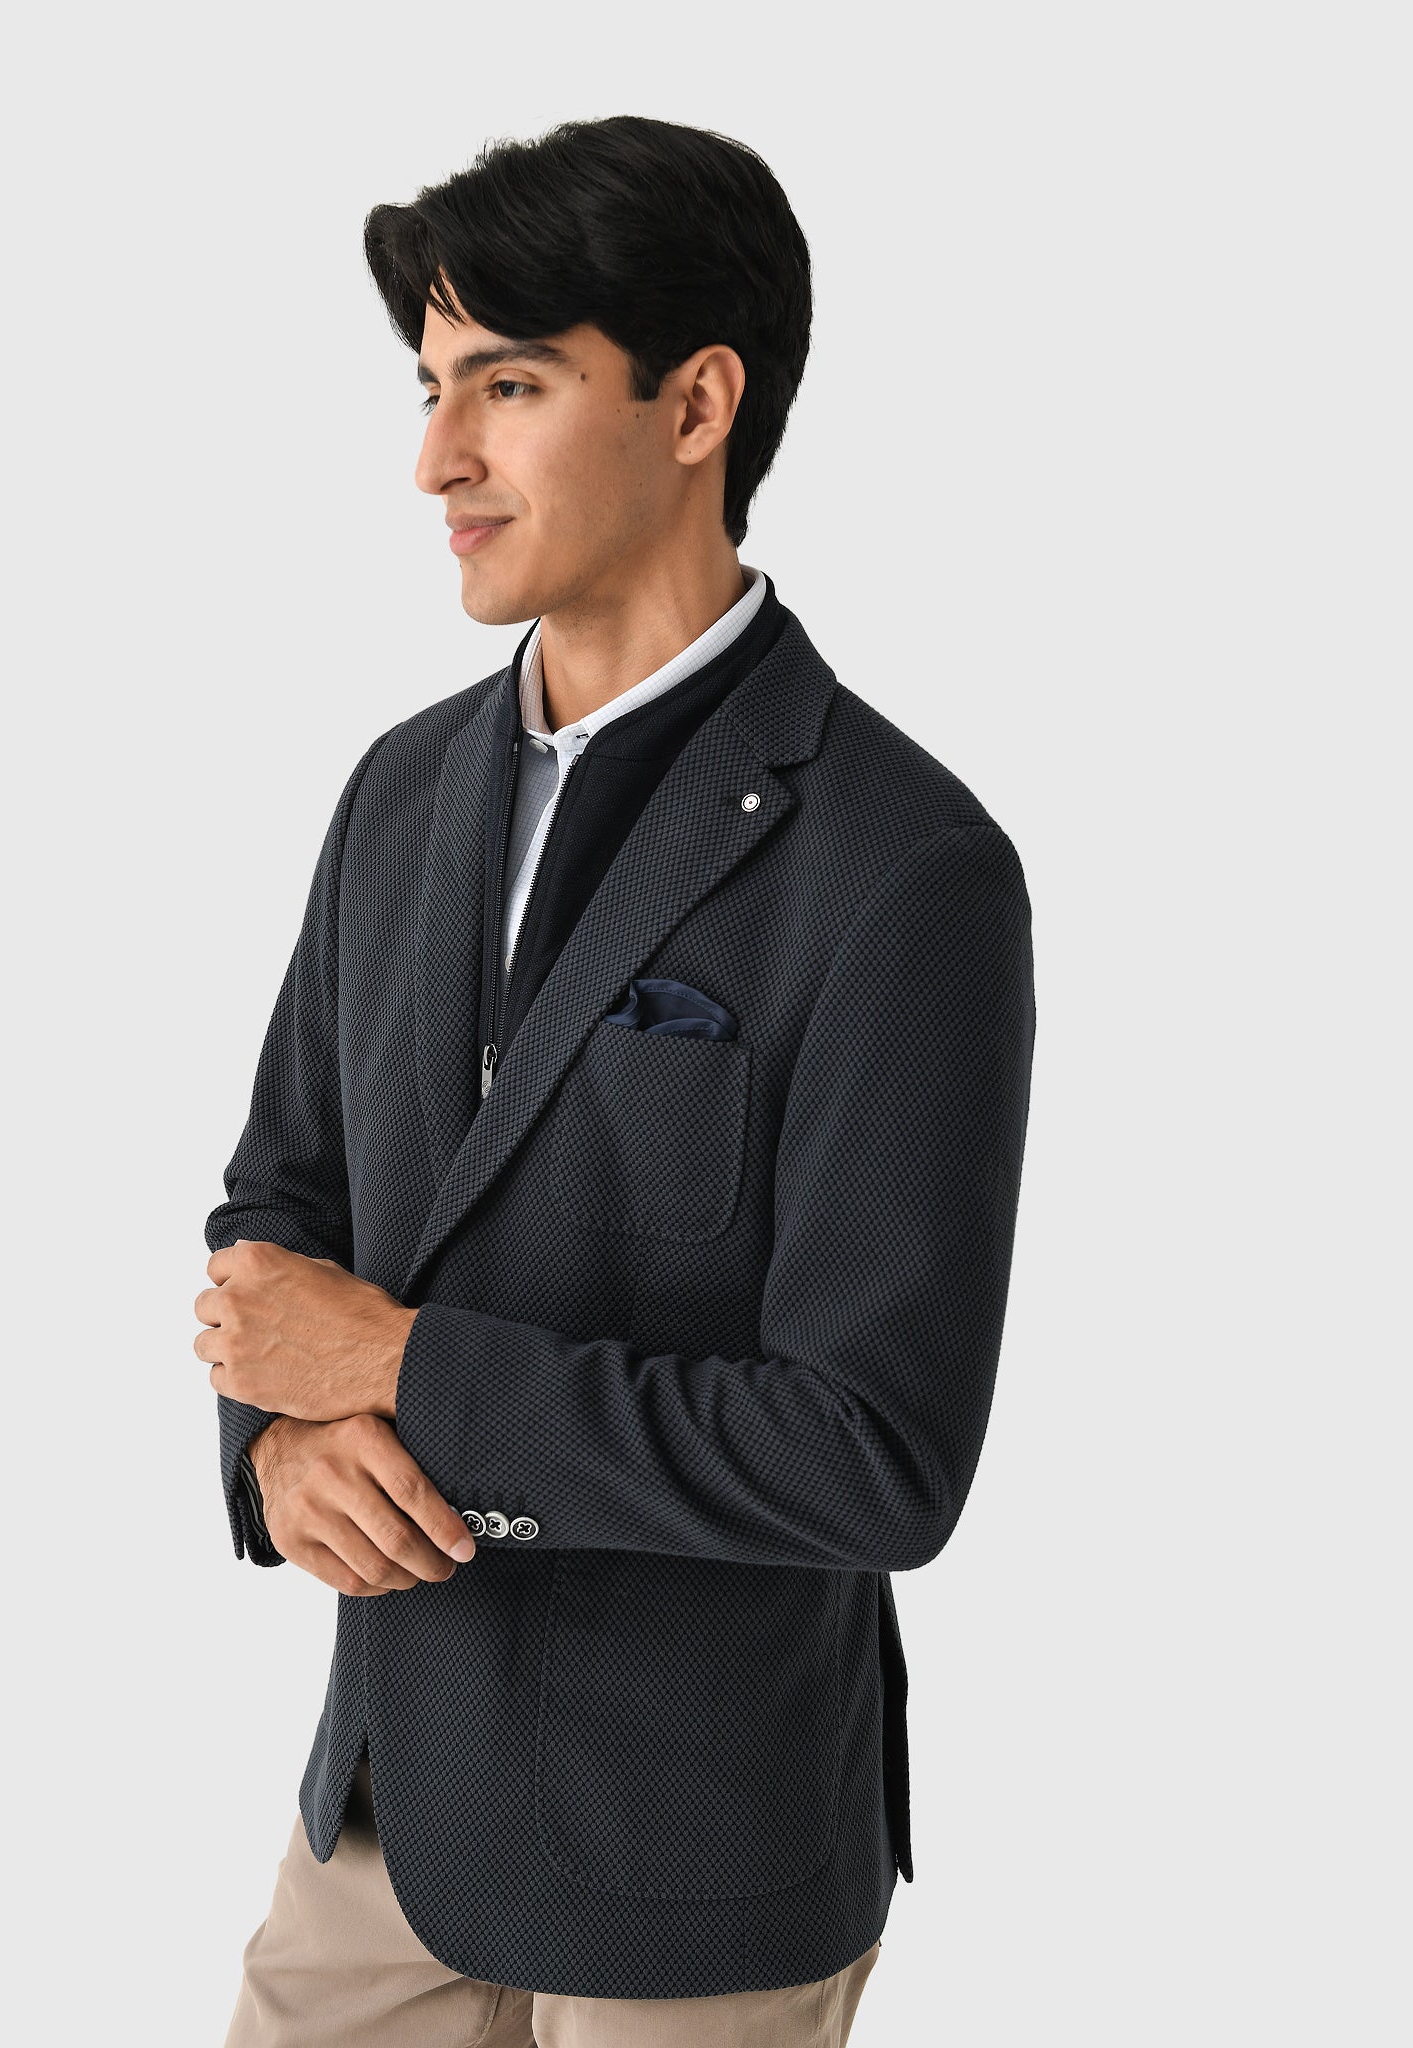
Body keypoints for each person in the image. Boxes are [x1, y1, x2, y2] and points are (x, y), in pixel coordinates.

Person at [194, 112, 1036, 2048]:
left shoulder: (904, 866)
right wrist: (274, 1448)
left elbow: (874, 1455)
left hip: (696, 1854)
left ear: (697, 404)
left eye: (508, 384)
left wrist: (403, 1368)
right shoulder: (399, 792)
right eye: (428, 389)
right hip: (384, 1809)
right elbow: (279, 1214)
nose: (437, 459)